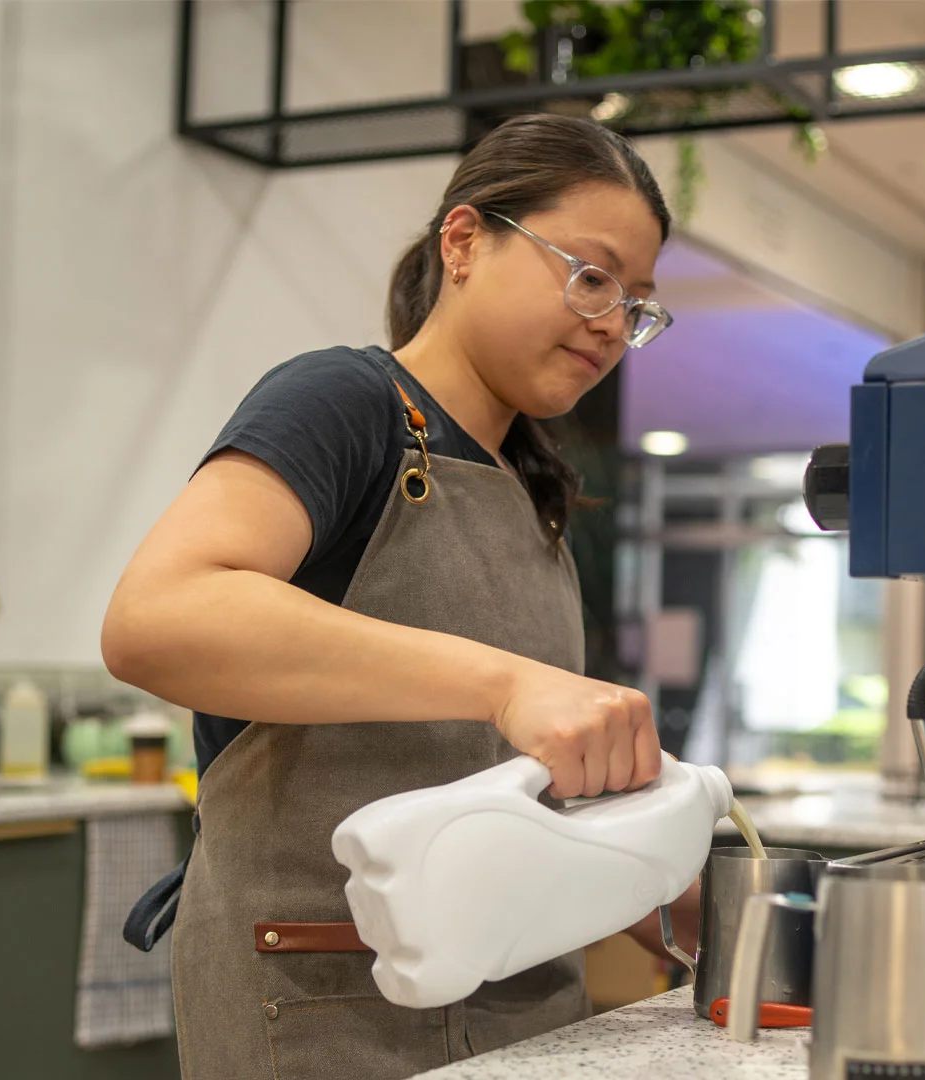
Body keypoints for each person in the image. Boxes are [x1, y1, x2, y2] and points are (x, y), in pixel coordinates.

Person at [101, 114, 697, 1080]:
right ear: (463, 242)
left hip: (523, 1008)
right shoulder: (345, 405)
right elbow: (157, 619)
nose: (609, 323)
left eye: (635, 304)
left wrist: (673, 895)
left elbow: (512, 789)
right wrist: (506, 683)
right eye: (591, 274)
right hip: (325, 1007)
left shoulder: (536, 489)